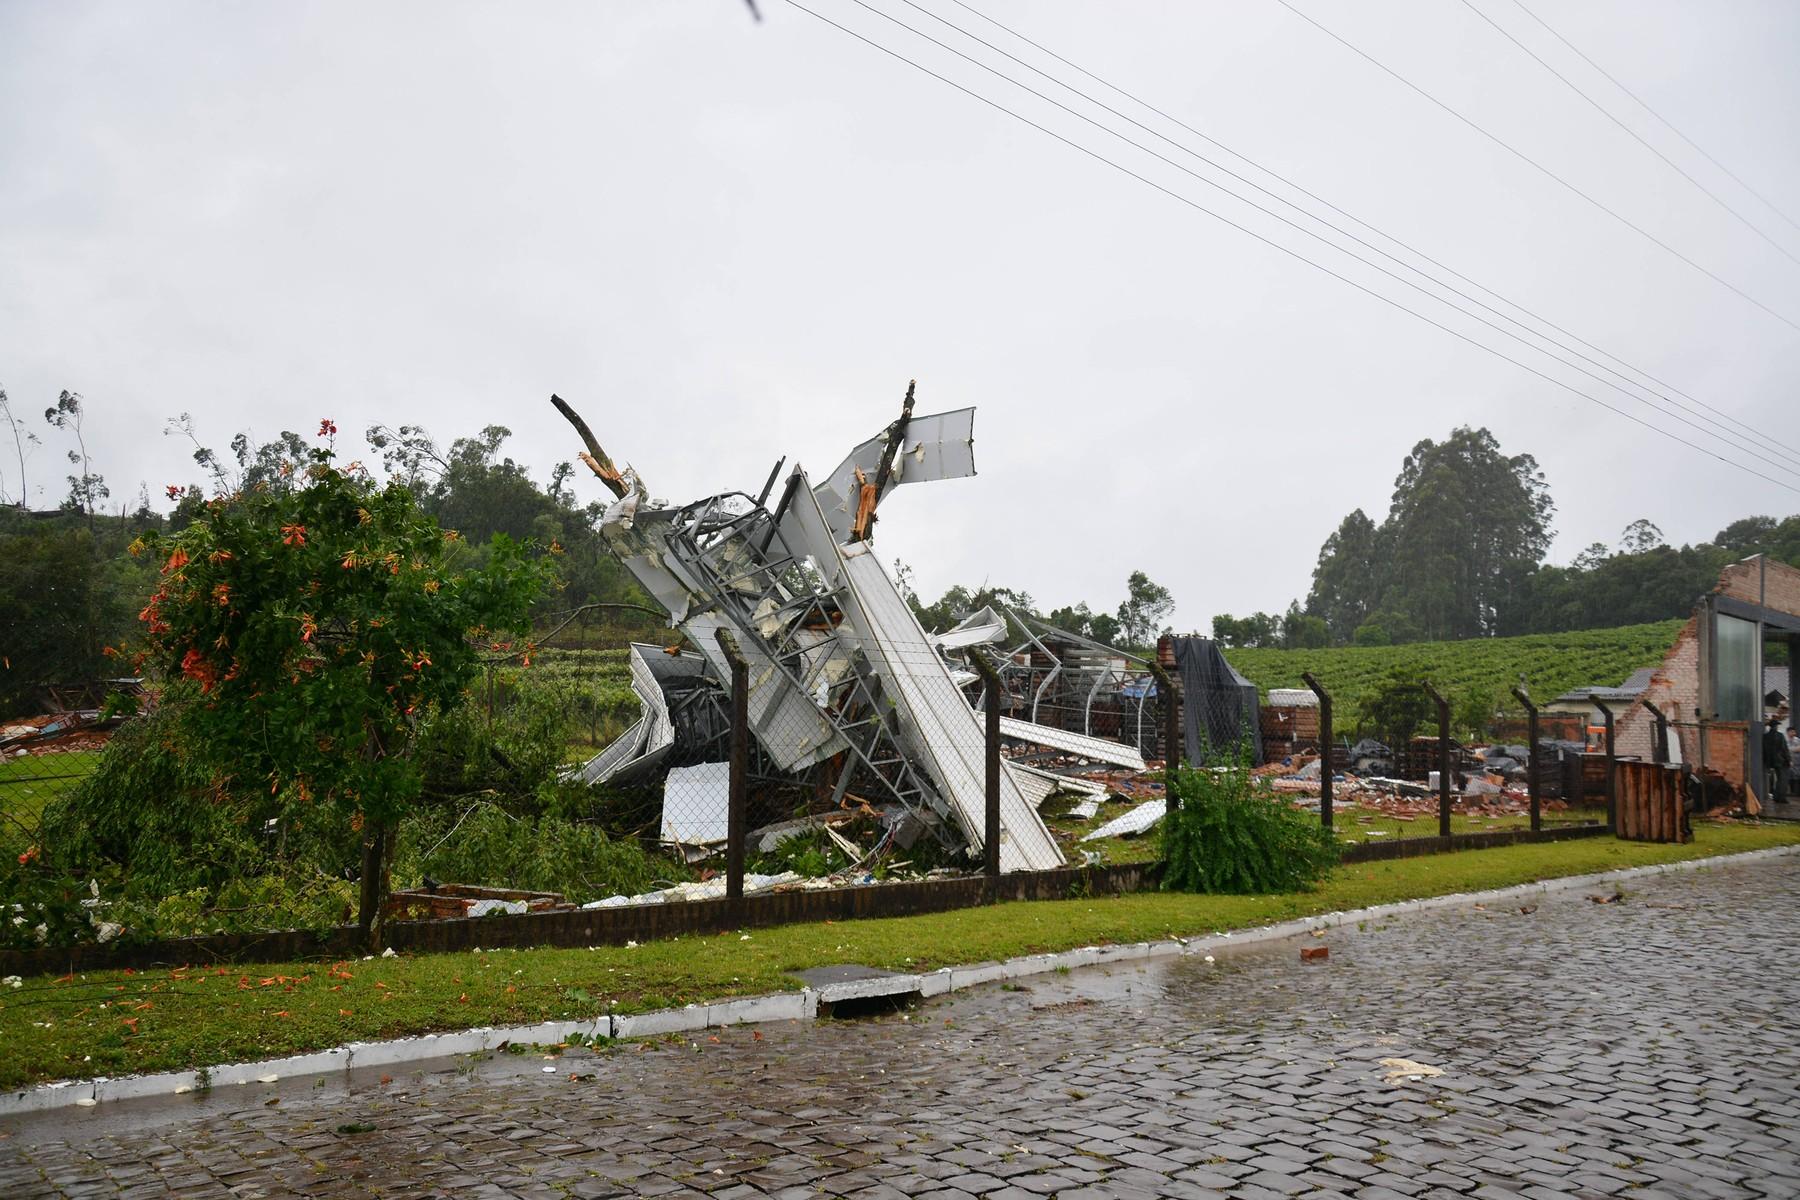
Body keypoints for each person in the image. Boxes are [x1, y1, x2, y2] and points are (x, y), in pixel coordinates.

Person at [1767, 717, 1793, 803]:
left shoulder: (1765, 736)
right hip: (1781, 761)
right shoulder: (1780, 735)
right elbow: (1784, 749)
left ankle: (1776, 796)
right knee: (1783, 779)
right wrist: (1789, 760)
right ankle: (1781, 797)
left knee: (1777, 779)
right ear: (1776, 726)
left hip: (1771, 762)